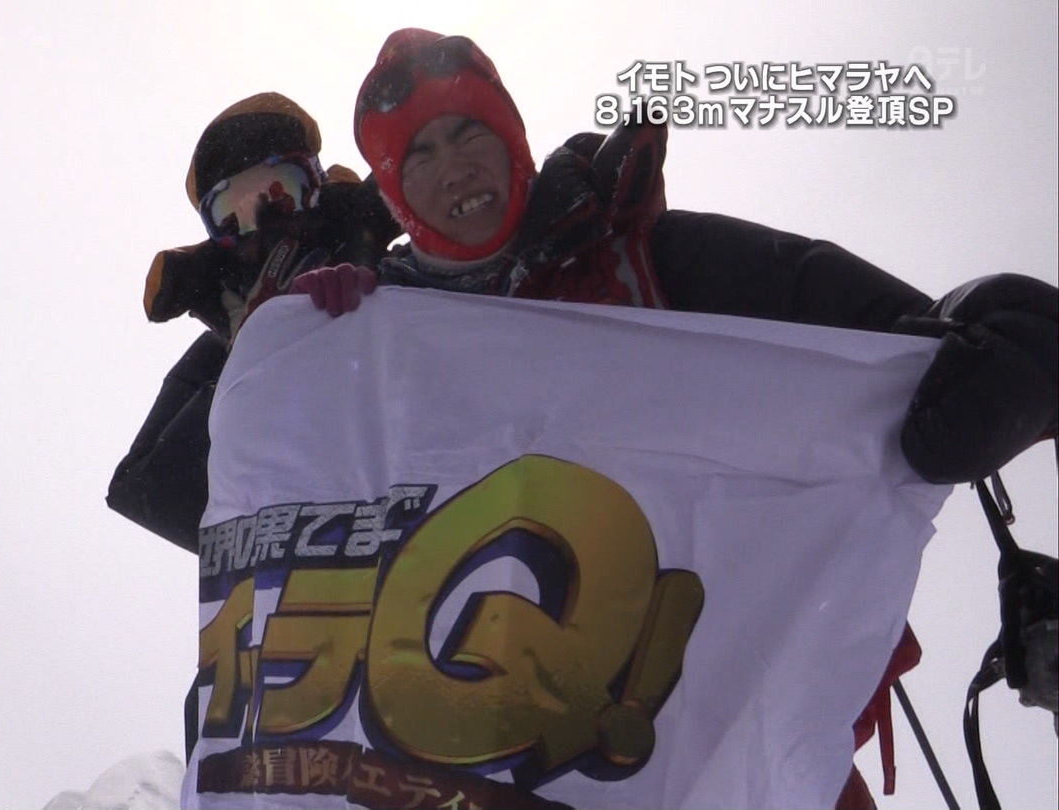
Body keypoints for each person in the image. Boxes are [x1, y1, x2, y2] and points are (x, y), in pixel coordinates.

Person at [276, 27, 1055, 808]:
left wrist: (1014, 332)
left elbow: (905, 334)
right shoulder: (380, 353)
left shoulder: (652, 261)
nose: (454, 166)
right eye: (419, 153)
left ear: (511, 137)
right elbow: (266, 521)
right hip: (494, 757)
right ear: (393, 191)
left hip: (739, 733)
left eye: (468, 131)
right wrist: (298, 349)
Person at [107, 92, 398, 553]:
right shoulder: (219, 354)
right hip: (325, 561)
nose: (264, 217)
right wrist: (254, 354)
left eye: (282, 189)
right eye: (234, 211)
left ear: (318, 186)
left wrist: (367, 251)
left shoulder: (399, 270)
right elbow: (148, 491)